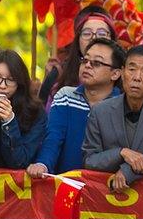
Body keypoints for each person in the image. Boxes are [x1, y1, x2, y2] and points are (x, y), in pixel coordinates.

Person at [81, 45, 143, 191]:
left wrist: (129, 169)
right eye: (132, 69)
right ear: (122, 72)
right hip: (107, 198)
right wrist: (121, 153)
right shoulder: (100, 111)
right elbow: (90, 160)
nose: (137, 77)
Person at [27, 38, 125, 177]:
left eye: (96, 63)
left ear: (115, 73)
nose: (88, 66)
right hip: (67, 187)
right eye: (85, 60)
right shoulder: (66, 95)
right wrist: (42, 164)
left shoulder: (124, 105)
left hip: (108, 191)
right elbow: (53, 138)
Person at [39, 5, 116, 110]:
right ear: (77, 41)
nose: (94, 38)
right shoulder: (61, 87)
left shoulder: (125, 83)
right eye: (87, 33)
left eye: (101, 33)